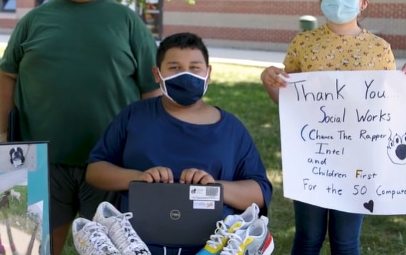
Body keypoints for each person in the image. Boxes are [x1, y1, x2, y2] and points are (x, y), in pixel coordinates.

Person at [0, 0, 161, 255]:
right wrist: (5, 132)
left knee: (105, 246)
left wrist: (148, 146)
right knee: (41, 245)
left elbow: (150, 90)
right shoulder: (33, 21)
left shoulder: (127, 21)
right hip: (44, 159)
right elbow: (8, 74)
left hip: (109, 160)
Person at [260, 0, 406, 255]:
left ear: (363, 3)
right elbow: (287, 102)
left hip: (358, 162)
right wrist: (268, 80)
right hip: (313, 157)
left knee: (346, 241)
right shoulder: (304, 43)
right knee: (308, 237)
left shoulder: (379, 49)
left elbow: (389, 106)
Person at [87, 32, 274, 255]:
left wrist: (213, 189)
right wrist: (137, 178)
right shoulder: (134, 117)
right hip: (137, 243)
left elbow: (260, 193)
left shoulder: (231, 129)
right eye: (174, 68)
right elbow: (95, 171)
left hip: (211, 245)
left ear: (208, 74)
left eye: (195, 68)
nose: (186, 75)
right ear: (157, 74)